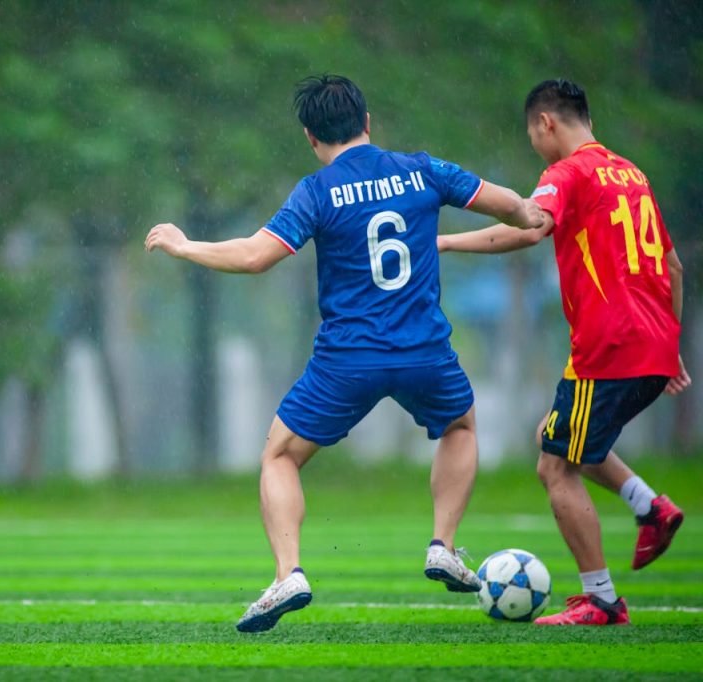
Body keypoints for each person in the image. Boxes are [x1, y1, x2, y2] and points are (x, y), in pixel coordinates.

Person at [145, 74, 544, 632]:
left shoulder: (317, 191)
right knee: (460, 426)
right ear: (368, 122)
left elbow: (257, 256)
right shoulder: (424, 169)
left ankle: (289, 573)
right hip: (423, 351)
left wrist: (187, 246)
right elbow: (506, 205)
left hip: (347, 358)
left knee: (280, 456)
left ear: (311, 137)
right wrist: (531, 215)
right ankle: (443, 545)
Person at [438, 79, 689, 626]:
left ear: (545, 123)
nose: (534, 146)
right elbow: (673, 267)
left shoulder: (567, 173)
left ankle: (600, 599)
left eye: (532, 134)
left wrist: (446, 242)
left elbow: (531, 227)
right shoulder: (633, 174)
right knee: (560, 439)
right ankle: (650, 507)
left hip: (609, 346)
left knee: (555, 464)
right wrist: (669, 341)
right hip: (649, 342)